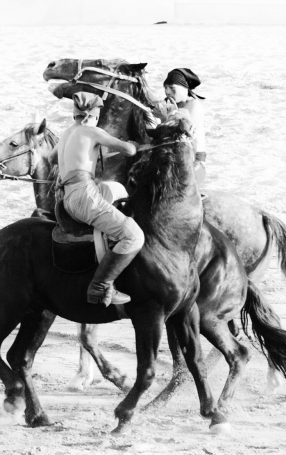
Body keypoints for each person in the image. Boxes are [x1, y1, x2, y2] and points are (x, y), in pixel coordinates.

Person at [57, 91, 143, 307]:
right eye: (99, 114)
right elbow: (129, 150)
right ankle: (101, 285)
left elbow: (51, 158)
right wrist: (133, 143)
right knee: (133, 236)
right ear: (93, 114)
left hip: (68, 197)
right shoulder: (91, 131)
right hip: (85, 195)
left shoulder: (66, 134)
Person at [154, 68, 208, 182]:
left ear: (185, 88)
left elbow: (184, 133)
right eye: (165, 88)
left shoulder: (194, 105)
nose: (167, 92)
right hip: (172, 156)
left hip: (193, 161)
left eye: (172, 88)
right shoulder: (171, 105)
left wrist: (164, 117)